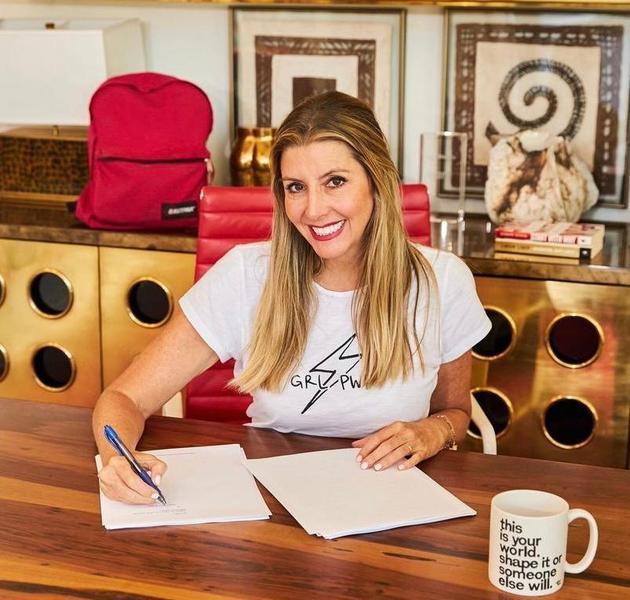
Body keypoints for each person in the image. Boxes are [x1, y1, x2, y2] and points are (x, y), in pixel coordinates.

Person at [94, 91, 491, 505]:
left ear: (378, 182)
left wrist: (433, 431)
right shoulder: (245, 275)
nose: (313, 210)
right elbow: (124, 398)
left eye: (335, 182)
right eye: (296, 188)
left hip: (395, 502)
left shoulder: (443, 281)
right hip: (273, 501)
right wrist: (117, 459)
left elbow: (455, 413)